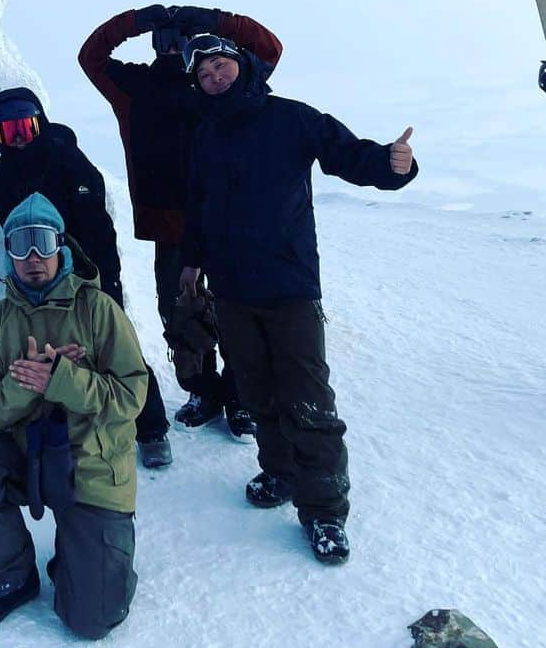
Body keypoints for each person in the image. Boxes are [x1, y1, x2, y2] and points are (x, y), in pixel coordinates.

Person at [179, 32, 419, 565]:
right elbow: (198, 203)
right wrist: (192, 261)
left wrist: (391, 165)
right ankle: (281, 471)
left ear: (241, 64)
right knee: (258, 392)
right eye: (204, 73)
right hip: (233, 290)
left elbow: (346, 155)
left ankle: (326, 512)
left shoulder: (290, 117)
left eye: (221, 65)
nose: (214, 77)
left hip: (289, 286)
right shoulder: (205, 134)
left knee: (308, 401)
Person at [79, 3, 282, 435]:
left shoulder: (214, 83)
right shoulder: (133, 86)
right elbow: (91, 57)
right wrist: (133, 21)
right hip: (171, 226)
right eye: (164, 38)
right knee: (179, 312)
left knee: (234, 310)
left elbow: (267, 50)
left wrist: (216, 20)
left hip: (228, 220)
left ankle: (240, 398)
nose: (172, 47)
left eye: (181, 39)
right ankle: (202, 389)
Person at [0, 194, 147, 638]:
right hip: (30, 456)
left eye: (43, 242)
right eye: (20, 245)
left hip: (92, 469)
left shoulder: (98, 311)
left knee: (92, 619)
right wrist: (23, 383)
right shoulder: (0, 320)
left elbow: (132, 395)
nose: (33, 258)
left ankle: (89, 555)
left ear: (61, 246)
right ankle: (11, 573)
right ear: (8, 252)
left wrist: (61, 378)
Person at [0, 88, 172, 470]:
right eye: (7, 132)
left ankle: (151, 427)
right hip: (39, 277)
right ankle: (68, 425)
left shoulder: (67, 159)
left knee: (115, 344)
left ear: (41, 124)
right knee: (51, 348)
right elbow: (12, 235)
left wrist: (107, 280)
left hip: (90, 270)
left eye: (25, 126)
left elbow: (98, 226)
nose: (18, 138)